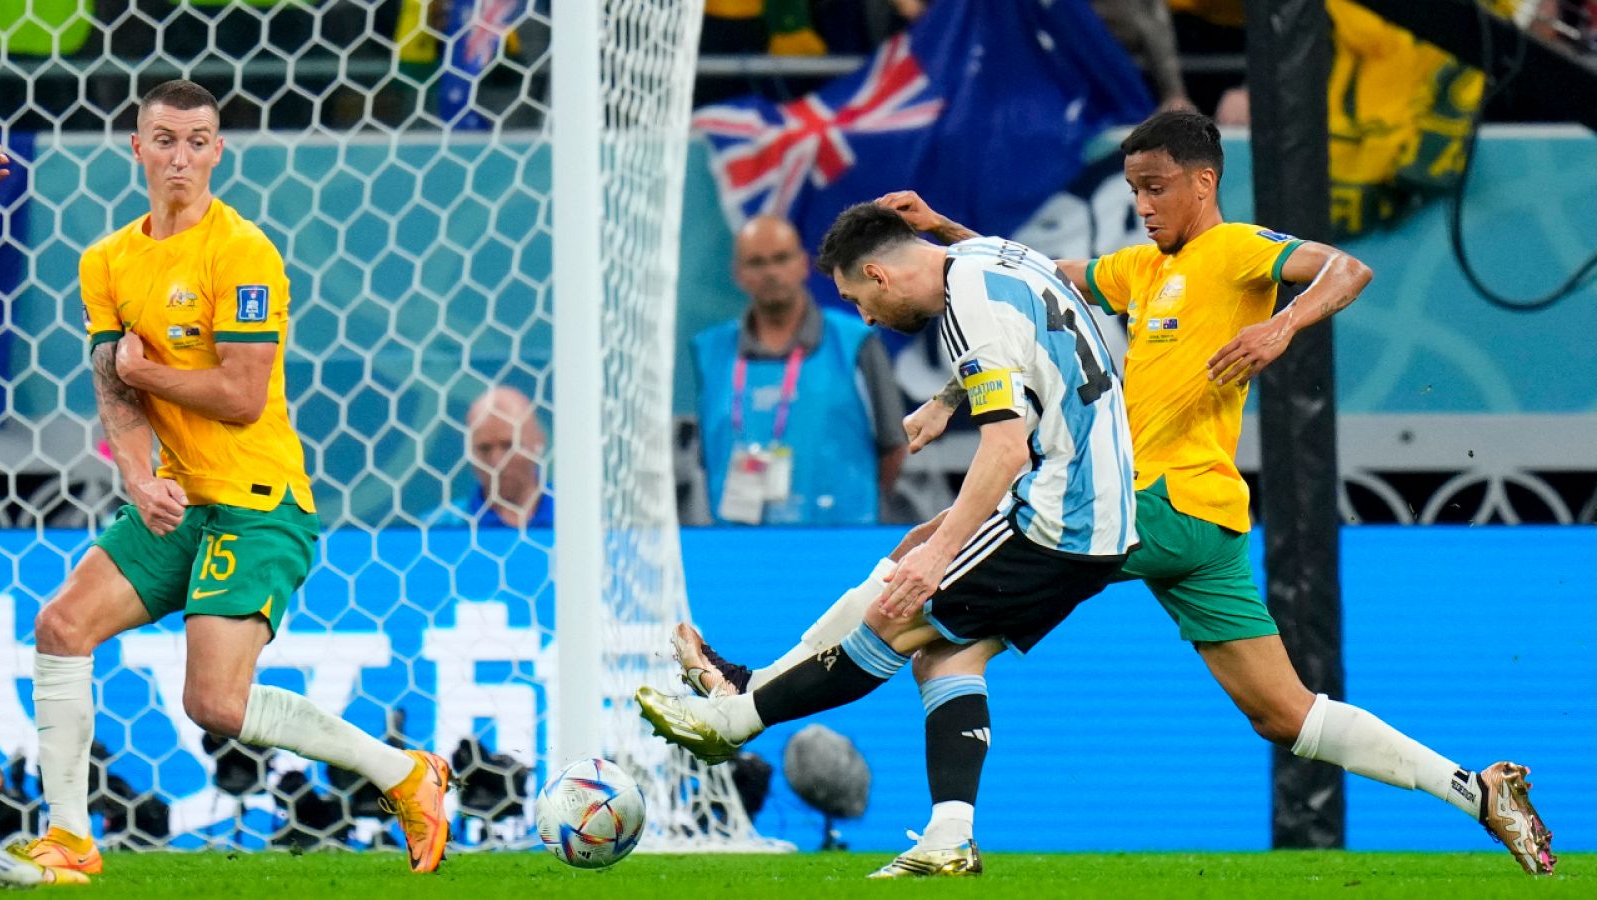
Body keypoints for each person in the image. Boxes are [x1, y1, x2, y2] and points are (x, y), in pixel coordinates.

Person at [671, 110, 1557, 877]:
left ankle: (753, 694)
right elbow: (1029, 290)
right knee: (1282, 714)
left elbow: (1347, 271)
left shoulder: (1234, 251)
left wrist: (1279, 325)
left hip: (1139, 503)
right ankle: (1478, 791)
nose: (1143, 203)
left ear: (1205, 183)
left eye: (1157, 187)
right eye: (1134, 187)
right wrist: (944, 230)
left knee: (919, 581)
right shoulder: (1143, 268)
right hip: (1202, 521)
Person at [12, 80, 451, 877]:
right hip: (176, 501)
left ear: (218, 151)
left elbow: (244, 396)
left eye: (199, 140)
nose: (182, 156)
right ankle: (70, 839)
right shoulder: (105, 260)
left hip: (257, 503)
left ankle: (405, 774)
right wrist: (138, 481)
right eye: (166, 139)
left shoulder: (243, 252)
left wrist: (147, 370)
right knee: (60, 628)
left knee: (214, 705)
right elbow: (114, 389)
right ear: (136, 148)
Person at [641, 201, 1138, 878]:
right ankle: (948, 836)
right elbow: (1026, 333)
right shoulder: (988, 255)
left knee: (894, 616)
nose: (867, 318)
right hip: (1096, 504)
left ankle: (738, 715)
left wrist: (941, 556)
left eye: (858, 299)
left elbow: (1002, 450)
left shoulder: (967, 306)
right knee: (945, 656)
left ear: (878, 273)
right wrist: (945, 400)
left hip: (1058, 512)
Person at [692, 214, 906, 526]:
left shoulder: (854, 343)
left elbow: (893, 445)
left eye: (781, 258)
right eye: (757, 263)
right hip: (737, 548)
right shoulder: (710, 352)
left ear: (802, 264)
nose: (771, 272)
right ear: (739, 274)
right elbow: (706, 454)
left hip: (840, 541)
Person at [427, 386, 553, 529]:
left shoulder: (576, 514)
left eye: (509, 446)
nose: (497, 462)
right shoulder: (439, 528)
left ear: (538, 441)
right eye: (484, 448)